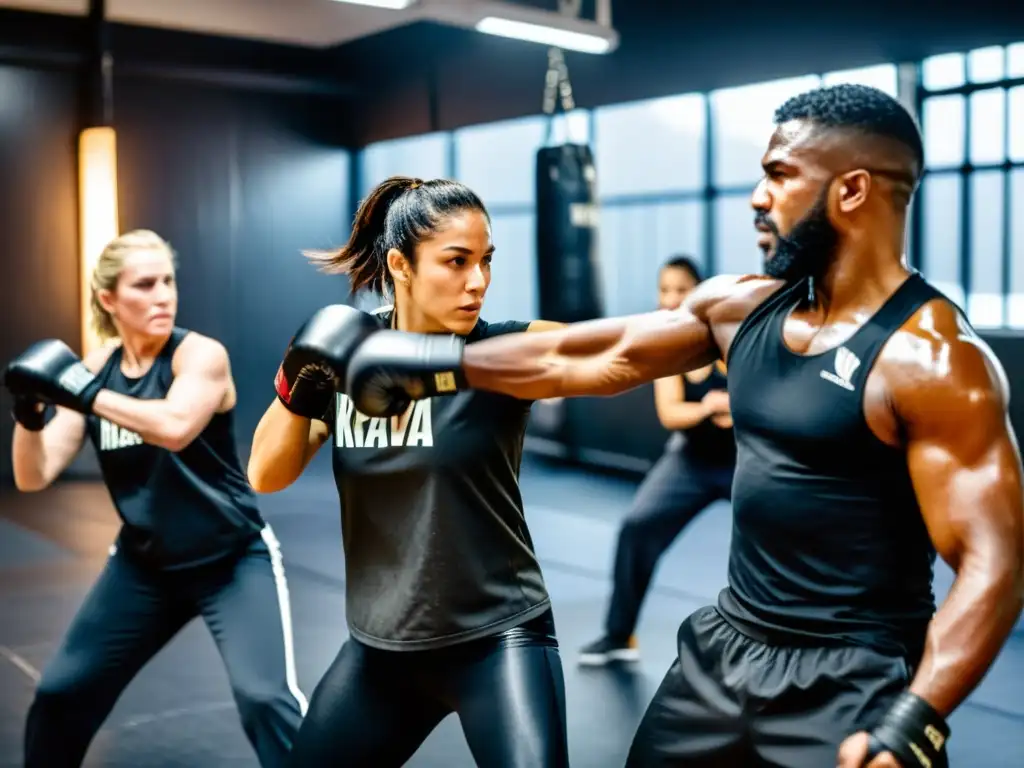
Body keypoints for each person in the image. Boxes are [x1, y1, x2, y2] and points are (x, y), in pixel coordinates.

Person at [338, 84, 1024, 768]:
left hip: (854, 676)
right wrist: (426, 360)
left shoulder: (931, 360)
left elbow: (994, 562)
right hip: (724, 651)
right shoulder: (739, 307)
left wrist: (917, 718)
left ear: (850, 191)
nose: (759, 196)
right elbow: (584, 353)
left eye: (780, 175)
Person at [246, 176, 570, 767]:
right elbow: (267, 474)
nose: (478, 283)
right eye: (456, 262)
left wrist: (704, 325)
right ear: (400, 264)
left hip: (497, 641)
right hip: (380, 654)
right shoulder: (352, 354)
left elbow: (607, 353)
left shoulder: (499, 353)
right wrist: (300, 382)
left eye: (486, 261)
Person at [3, 229, 307, 768]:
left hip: (231, 561)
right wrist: (28, 412)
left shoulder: (199, 356)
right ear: (109, 300)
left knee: (266, 701)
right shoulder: (95, 369)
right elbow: (34, 473)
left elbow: (174, 426)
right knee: (58, 696)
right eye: (145, 284)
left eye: (168, 281)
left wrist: (82, 393)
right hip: (145, 568)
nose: (164, 294)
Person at [579, 255, 736, 667]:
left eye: (680, 290)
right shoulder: (668, 352)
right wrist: (710, 408)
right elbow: (672, 414)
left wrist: (728, 407)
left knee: (779, 535)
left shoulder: (726, 338)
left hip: (744, 461)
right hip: (690, 461)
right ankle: (618, 635)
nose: (670, 299)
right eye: (664, 290)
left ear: (699, 293)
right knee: (637, 526)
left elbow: (754, 404)